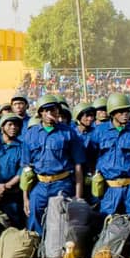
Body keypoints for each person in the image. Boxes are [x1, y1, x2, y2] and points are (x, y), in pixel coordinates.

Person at [89, 93, 130, 232]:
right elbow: (91, 155)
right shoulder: (99, 132)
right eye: (121, 112)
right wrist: (95, 176)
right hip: (109, 188)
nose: (125, 114)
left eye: (127, 111)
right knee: (106, 223)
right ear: (112, 113)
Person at [22, 97, 84, 233]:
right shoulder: (30, 135)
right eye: (47, 110)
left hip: (62, 183)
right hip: (39, 185)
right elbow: (26, 169)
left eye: (54, 110)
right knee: (34, 220)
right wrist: (25, 198)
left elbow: (78, 165)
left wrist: (78, 196)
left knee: (63, 221)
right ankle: (37, 250)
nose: (51, 113)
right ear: (40, 113)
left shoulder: (68, 133)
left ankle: (62, 253)